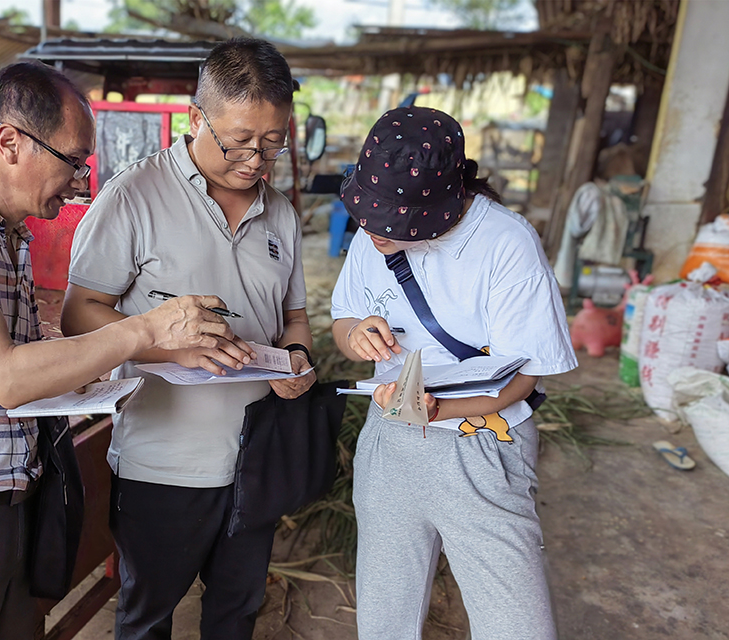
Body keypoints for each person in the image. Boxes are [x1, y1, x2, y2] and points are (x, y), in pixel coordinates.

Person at [0, 61, 247, 640]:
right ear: (9, 142)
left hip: (13, 506)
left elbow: (29, 366)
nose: (79, 181)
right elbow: (7, 377)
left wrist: (157, 355)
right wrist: (147, 328)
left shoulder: (6, 237)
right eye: (72, 161)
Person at [61, 37, 316, 640]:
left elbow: (296, 319)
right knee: (148, 617)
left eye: (273, 142)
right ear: (197, 116)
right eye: (239, 140)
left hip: (256, 460)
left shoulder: (279, 212)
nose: (256, 159)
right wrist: (162, 343)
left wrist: (300, 360)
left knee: (236, 613)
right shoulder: (133, 196)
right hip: (163, 463)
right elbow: (78, 316)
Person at [330, 106, 577, 640]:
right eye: (366, 215)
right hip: (390, 440)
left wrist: (442, 408)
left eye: (390, 222)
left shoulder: (506, 244)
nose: (372, 232)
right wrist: (355, 334)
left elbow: (523, 377)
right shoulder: (374, 234)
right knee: (384, 615)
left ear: (439, 206)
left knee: (515, 623)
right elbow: (343, 317)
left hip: (482, 443)